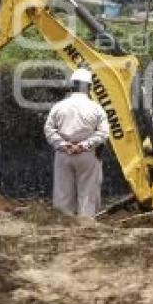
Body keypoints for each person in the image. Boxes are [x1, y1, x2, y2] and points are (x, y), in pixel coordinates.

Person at [44, 68, 109, 218]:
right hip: (87, 155)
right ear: (89, 87)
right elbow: (104, 133)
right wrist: (84, 145)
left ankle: (63, 227)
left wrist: (64, 145)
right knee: (87, 195)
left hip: (63, 155)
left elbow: (48, 129)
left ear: (72, 85)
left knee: (62, 194)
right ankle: (85, 227)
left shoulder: (59, 106)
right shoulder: (96, 108)